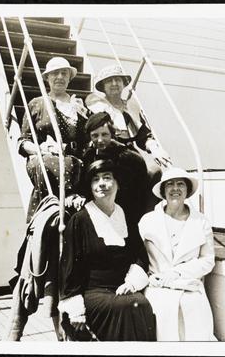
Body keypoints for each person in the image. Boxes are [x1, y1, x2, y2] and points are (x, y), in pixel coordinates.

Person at [58, 160, 156, 341]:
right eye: (95, 180)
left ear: (118, 184)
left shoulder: (126, 216)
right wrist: (75, 309)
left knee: (140, 304)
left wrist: (132, 283)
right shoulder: (80, 220)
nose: (101, 183)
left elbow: (139, 256)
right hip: (92, 292)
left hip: (123, 287)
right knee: (129, 306)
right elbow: (69, 267)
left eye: (107, 178)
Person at [137, 167, 215, 341]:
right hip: (157, 288)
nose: (175, 189)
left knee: (194, 322)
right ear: (163, 191)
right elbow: (137, 258)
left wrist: (177, 273)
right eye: (170, 185)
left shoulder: (201, 222)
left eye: (180, 184)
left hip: (189, 287)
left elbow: (208, 260)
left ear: (187, 190)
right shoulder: (147, 221)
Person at [18, 56, 89, 222]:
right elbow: (23, 142)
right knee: (51, 163)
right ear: (47, 78)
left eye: (64, 73)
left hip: (74, 160)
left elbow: (86, 138)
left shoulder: (78, 104)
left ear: (70, 78)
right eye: (55, 73)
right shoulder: (37, 103)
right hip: (43, 159)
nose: (60, 77)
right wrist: (42, 148)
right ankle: (67, 199)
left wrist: (84, 113)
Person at [85, 65, 172, 201]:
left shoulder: (131, 107)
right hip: (105, 153)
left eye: (117, 80)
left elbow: (143, 135)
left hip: (129, 155)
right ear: (103, 85)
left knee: (154, 172)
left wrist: (155, 148)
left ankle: (145, 216)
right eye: (109, 81)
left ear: (123, 83)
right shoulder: (96, 106)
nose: (114, 84)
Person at [81, 111, 149, 229]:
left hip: (128, 211)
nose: (100, 140)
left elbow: (139, 190)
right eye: (95, 135)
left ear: (112, 135)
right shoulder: (89, 156)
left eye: (104, 134)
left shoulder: (128, 157)